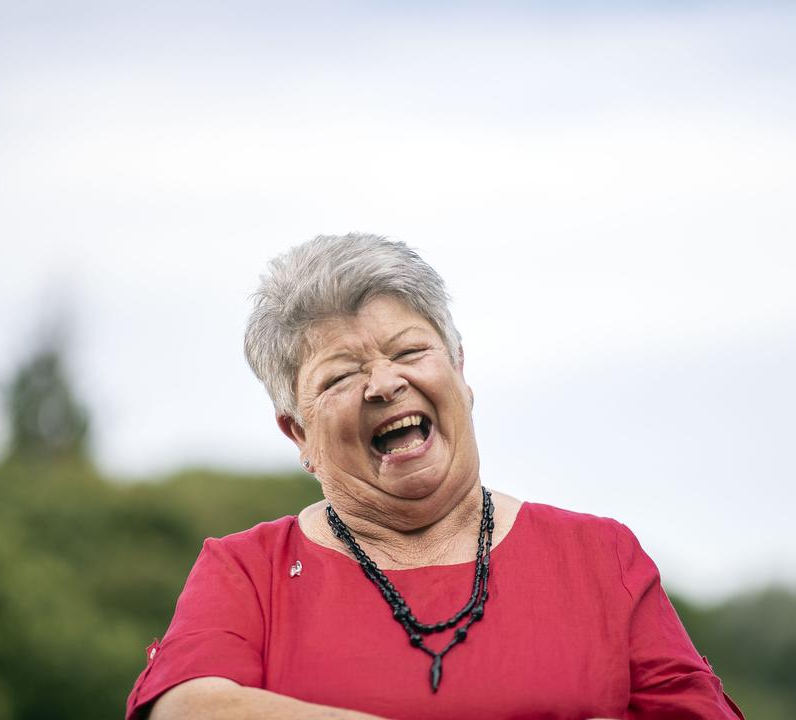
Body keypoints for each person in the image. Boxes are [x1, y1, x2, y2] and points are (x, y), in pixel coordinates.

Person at [126, 234, 744, 719]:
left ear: (459, 370)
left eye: (408, 352)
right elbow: (185, 707)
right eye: (340, 375)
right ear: (298, 434)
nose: (384, 383)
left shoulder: (600, 558)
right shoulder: (248, 570)